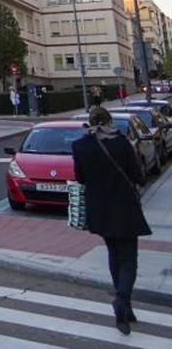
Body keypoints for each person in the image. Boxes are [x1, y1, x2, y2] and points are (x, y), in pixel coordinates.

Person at [72, 105, 151, 335]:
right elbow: (138, 175)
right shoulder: (121, 142)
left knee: (114, 254)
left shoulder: (80, 146)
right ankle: (122, 300)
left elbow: (80, 177)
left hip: (100, 209)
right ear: (109, 121)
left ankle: (125, 307)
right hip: (124, 207)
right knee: (129, 259)